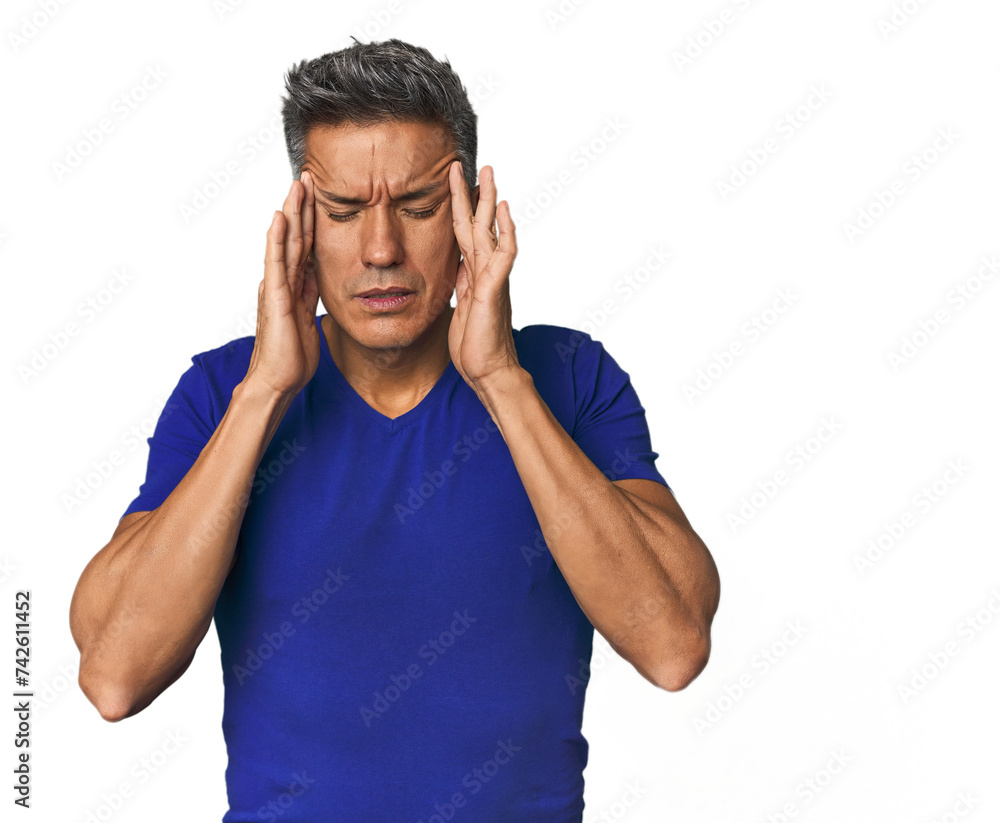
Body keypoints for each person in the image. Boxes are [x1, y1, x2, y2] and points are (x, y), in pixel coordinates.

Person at [69, 38, 720, 822]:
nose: (382, 250)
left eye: (417, 208)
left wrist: (501, 379)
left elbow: (674, 643)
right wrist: (265, 390)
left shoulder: (567, 378)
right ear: (301, 223)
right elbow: (113, 675)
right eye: (343, 212)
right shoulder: (222, 391)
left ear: (471, 215)